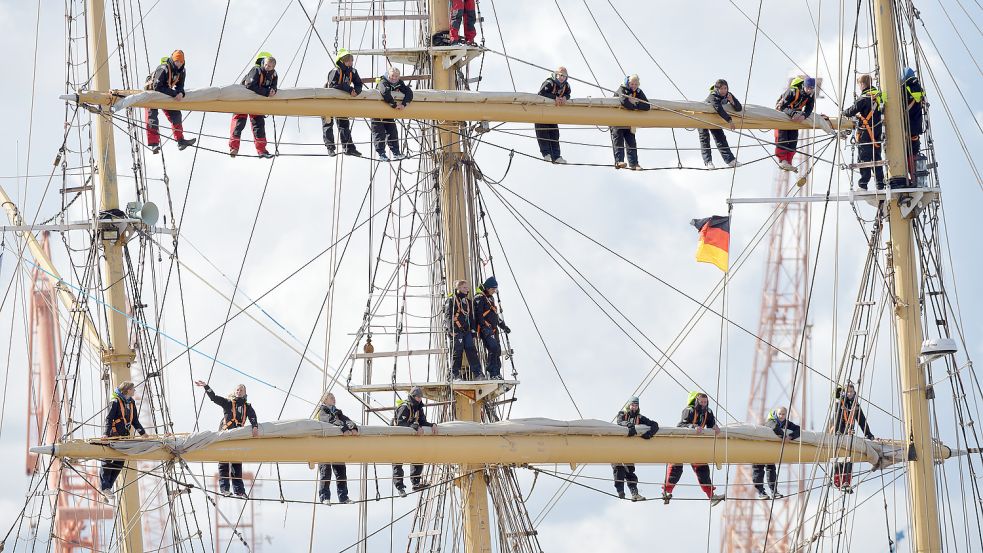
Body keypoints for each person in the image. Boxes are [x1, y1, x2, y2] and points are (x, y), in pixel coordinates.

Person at [194, 379, 259, 497]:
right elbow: (214, 398)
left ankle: (239, 490)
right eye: (238, 390)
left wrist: (255, 427)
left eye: (241, 390)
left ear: (245, 393)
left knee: (237, 464)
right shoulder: (228, 403)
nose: (239, 392)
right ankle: (224, 488)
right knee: (224, 463)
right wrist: (206, 387)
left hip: (237, 436)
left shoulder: (247, 407)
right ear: (235, 392)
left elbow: (252, 416)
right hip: (225, 434)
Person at [663, 392, 726, 506]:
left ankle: (712, 497)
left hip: (696, 446)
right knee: (676, 470)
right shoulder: (689, 410)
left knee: (703, 471)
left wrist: (715, 427)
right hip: (682, 445)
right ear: (696, 401)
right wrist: (693, 427)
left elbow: (711, 424)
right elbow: (681, 425)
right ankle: (666, 492)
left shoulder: (708, 412)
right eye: (701, 402)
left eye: (705, 402)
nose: (703, 404)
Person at [99, 381, 147, 501]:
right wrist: (105, 434)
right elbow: (109, 419)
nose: (134, 391)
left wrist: (143, 433)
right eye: (133, 389)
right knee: (107, 462)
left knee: (119, 463)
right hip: (113, 435)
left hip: (124, 436)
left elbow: (134, 420)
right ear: (128, 390)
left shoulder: (131, 402)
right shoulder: (115, 402)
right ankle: (104, 487)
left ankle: (107, 488)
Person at [144, 50, 196, 154]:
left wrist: (181, 93)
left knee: (176, 114)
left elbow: (180, 86)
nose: (179, 64)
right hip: (152, 92)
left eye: (181, 62)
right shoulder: (164, 68)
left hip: (166, 92)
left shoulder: (182, 71)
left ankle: (180, 141)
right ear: (173, 60)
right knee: (152, 116)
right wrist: (174, 94)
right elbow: (156, 86)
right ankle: (154, 144)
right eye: (177, 61)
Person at [392, 387, 438, 497]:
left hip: (411, 437)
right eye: (417, 397)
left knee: (418, 456)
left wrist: (432, 425)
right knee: (398, 462)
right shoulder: (405, 407)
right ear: (412, 397)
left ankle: (416, 483)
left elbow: (422, 421)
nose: (419, 399)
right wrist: (415, 427)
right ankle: (400, 487)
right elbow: (400, 424)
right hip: (398, 438)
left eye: (420, 397)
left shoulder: (418, 408)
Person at [829, 382, 874, 493]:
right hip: (838, 431)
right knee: (840, 457)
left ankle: (846, 482)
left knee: (849, 457)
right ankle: (837, 480)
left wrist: (868, 434)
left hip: (848, 433)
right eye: (847, 392)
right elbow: (838, 419)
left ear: (854, 392)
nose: (849, 394)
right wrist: (842, 431)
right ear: (844, 392)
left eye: (851, 392)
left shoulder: (855, 405)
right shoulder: (840, 404)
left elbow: (861, 420)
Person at [230, 53, 277, 158]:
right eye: (265, 64)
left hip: (256, 101)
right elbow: (250, 85)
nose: (267, 67)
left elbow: (274, 86)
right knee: (239, 123)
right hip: (243, 101)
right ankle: (234, 148)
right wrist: (266, 92)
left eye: (269, 66)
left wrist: (273, 90)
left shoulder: (273, 75)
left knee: (259, 125)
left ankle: (262, 151)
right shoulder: (256, 70)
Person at [841, 74, 884, 190]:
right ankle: (880, 184)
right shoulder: (879, 96)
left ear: (862, 84)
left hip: (866, 132)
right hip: (877, 131)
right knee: (877, 157)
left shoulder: (864, 98)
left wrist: (843, 112)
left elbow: (851, 111)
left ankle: (863, 185)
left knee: (864, 157)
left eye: (859, 84)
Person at [614, 396, 659, 501]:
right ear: (628, 405)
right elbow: (619, 422)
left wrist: (649, 434)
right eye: (632, 405)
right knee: (618, 468)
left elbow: (654, 424)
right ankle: (620, 491)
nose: (634, 407)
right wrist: (630, 425)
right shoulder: (622, 414)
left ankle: (635, 493)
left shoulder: (640, 417)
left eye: (636, 405)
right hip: (617, 447)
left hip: (629, 449)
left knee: (630, 471)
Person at [316, 392, 358, 504]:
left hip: (337, 447)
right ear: (324, 401)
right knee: (326, 471)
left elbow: (346, 420)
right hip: (324, 446)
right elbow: (329, 421)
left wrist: (353, 427)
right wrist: (344, 428)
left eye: (334, 397)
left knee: (341, 472)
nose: (334, 399)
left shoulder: (338, 412)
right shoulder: (322, 412)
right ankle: (325, 497)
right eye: (331, 398)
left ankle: (343, 497)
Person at [752, 407, 801, 500]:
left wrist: (790, 437)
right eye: (780, 414)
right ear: (776, 414)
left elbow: (798, 429)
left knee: (771, 469)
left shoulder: (786, 423)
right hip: (759, 448)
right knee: (758, 470)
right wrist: (783, 437)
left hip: (769, 450)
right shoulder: (770, 421)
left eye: (783, 414)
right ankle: (761, 492)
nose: (782, 416)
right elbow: (774, 427)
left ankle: (774, 491)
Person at [323, 48, 364, 157]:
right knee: (328, 124)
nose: (350, 62)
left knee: (344, 125)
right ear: (341, 60)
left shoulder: (353, 72)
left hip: (341, 102)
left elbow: (359, 83)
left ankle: (349, 148)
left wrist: (356, 91)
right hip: (328, 101)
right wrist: (350, 90)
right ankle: (330, 148)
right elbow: (333, 85)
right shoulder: (335, 71)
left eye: (351, 59)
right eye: (348, 60)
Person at [774, 76, 816, 172]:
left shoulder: (810, 95)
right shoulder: (792, 91)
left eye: (811, 88)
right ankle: (782, 160)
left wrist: (803, 116)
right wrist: (793, 113)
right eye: (808, 87)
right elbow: (780, 106)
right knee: (782, 137)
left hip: (796, 116)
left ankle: (788, 162)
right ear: (804, 85)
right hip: (783, 113)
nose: (809, 90)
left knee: (793, 139)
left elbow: (809, 109)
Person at [473, 276, 511, 380]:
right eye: (493, 289)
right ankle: (491, 372)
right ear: (488, 288)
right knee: (493, 348)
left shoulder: (490, 298)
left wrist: (503, 326)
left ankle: (496, 372)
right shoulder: (479, 297)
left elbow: (494, 314)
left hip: (494, 329)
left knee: (497, 350)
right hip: (486, 329)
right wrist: (483, 327)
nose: (494, 291)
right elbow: (478, 314)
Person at [372, 67, 413, 161]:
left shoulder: (399, 83)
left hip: (388, 111)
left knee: (392, 131)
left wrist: (404, 104)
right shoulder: (383, 82)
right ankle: (381, 153)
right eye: (392, 76)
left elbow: (409, 92)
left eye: (396, 76)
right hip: (377, 110)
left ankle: (396, 153)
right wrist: (394, 105)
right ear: (388, 75)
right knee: (379, 132)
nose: (394, 78)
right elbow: (384, 92)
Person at [699, 79, 742, 169]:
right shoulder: (712, 96)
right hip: (702, 117)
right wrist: (729, 121)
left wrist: (732, 101)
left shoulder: (728, 95)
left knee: (721, 138)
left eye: (725, 88)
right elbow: (719, 109)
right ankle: (708, 161)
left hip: (714, 119)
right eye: (721, 89)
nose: (724, 90)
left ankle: (730, 160)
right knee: (705, 139)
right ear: (717, 89)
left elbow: (739, 108)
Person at [446, 279, 482, 380]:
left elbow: (471, 317)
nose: (467, 289)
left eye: (467, 287)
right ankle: (454, 374)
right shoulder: (451, 300)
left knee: (472, 351)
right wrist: (451, 330)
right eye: (464, 287)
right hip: (456, 331)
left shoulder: (468, 302)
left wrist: (473, 331)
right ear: (458, 288)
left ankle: (478, 373)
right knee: (457, 352)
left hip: (467, 331)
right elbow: (448, 316)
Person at [612, 74, 649, 171]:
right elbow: (624, 102)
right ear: (628, 83)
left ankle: (634, 164)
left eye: (636, 84)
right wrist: (634, 104)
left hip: (629, 121)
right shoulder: (622, 89)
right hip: (617, 119)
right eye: (632, 84)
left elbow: (647, 106)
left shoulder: (638, 91)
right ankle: (619, 161)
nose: (634, 86)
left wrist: (635, 103)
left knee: (631, 142)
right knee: (618, 139)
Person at [535, 67, 571, 164]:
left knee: (554, 135)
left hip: (552, 114)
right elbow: (541, 93)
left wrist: (565, 98)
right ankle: (546, 153)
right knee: (543, 133)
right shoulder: (550, 82)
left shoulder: (566, 86)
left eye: (564, 76)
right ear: (556, 75)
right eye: (560, 75)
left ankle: (556, 156)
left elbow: (568, 94)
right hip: (541, 112)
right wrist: (554, 97)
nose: (562, 78)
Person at [902, 67, 926, 178]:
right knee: (913, 152)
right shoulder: (919, 89)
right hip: (916, 127)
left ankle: (909, 176)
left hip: (905, 127)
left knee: (905, 153)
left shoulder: (903, 89)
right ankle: (914, 177)